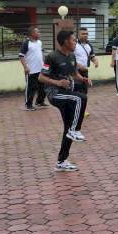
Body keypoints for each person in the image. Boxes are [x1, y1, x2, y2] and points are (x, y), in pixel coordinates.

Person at [39, 30, 91, 172]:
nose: (75, 42)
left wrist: (83, 79)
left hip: (66, 93)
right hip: (54, 93)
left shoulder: (72, 56)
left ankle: (61, 161)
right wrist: (57, 83)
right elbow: (41, 77)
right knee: (81, 98)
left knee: (68, 128)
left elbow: (74, 73)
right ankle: (75, 130)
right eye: (73, 40)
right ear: (65, 42)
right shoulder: (52, 56)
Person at [19, 27, 46, 111]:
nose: (39, 33)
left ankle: (39, 102)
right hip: (31, 70)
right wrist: (25, 67)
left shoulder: (39, 42)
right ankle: (28, 105)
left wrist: (44, 65)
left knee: (43, 87)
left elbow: (41, 53)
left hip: (40, 69)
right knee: (31, 88)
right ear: (32, 34)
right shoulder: (26, 43)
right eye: (38, 32)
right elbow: (21, 56)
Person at [74, 27, 99, 103]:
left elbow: (92, 56)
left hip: (85, 72)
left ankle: (82, 109)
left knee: (84, 91)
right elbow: (69, 58)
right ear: (78, 35)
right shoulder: (74, 44)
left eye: (87, 34)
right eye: (83, 34)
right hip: (75, 72)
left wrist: (95, 61)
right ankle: (75, 109)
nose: (85, 35)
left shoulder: (89, 45)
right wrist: (78, 65)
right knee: (76, 91)